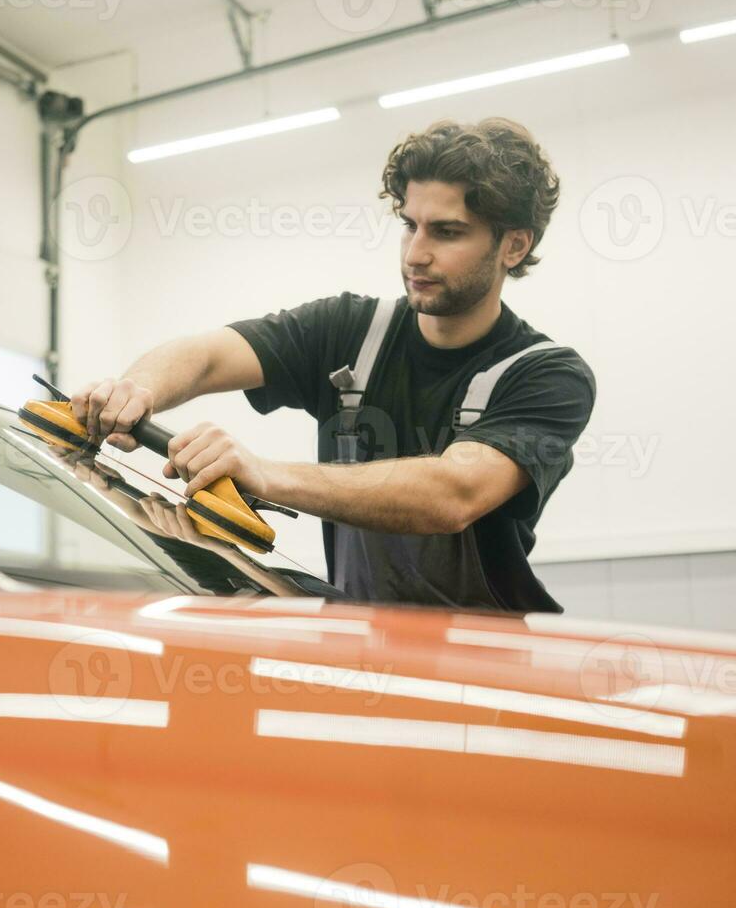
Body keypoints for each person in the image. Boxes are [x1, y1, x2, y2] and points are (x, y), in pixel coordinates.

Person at [71, 118, 595, 613]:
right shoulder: (348, 330)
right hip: (360, 642)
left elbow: (453, 495)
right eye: (410, 225)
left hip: (485, 661)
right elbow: (207, 357)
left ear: (514, 245)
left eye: (447, 232)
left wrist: (264, 474)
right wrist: (137, 389)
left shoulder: (548, 377)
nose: (415, 254)